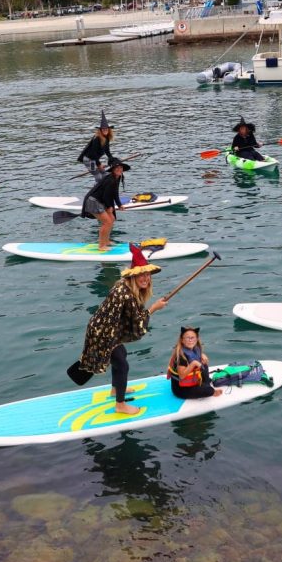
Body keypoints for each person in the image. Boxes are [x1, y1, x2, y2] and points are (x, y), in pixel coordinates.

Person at [73, 244, 168, 414]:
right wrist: (154, 308)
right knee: (122, 365)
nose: (146, 278)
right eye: (142, 275)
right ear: (133, 276)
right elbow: (137, 320)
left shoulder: (128, 289)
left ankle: (115, 389)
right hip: (103, 332)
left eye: (147, 274)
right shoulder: (124, 293)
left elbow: (131, 317)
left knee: (121, 356)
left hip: (106, 329)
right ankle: (120, 405)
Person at [82, 157, 128, 251]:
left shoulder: (116, 178)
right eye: (117, 168)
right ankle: (101, 246)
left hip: (99, 201)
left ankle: (106, 241)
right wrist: (109, 208)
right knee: (106, 222)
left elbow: (115, 193)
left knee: (112, 219)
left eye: (121, 168)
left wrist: (119, 205)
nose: (119, 169)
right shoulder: (110, 179)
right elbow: (106, 196)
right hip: (93, 201)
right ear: (113, 169)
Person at [166, 326, 223, 400]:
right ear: (182, 340)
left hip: (192, 381)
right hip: (181, 389)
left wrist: (202, 355)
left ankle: (205, 384)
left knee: (204, 364)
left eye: (192, 337)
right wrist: (194, 363)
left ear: (196, 339)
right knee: (209, 391)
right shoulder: (181, 356)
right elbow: (182, 376)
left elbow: (198, 359)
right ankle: (208, 388)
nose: (190, 340)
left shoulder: (195, 349)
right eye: (187, 338)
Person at [77, 111, 115, 180]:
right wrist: (99, 164)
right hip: (89, 160)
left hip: (95, 160)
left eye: (106, 129)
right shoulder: (97, 139)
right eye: (103, 129)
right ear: (100, 130)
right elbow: (93, 154)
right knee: (98, 176)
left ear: (109, 130)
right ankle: (98, 189)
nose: (105, 130)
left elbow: (107, 151)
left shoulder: (107, 138)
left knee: (105, 174)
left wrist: (111, 158)